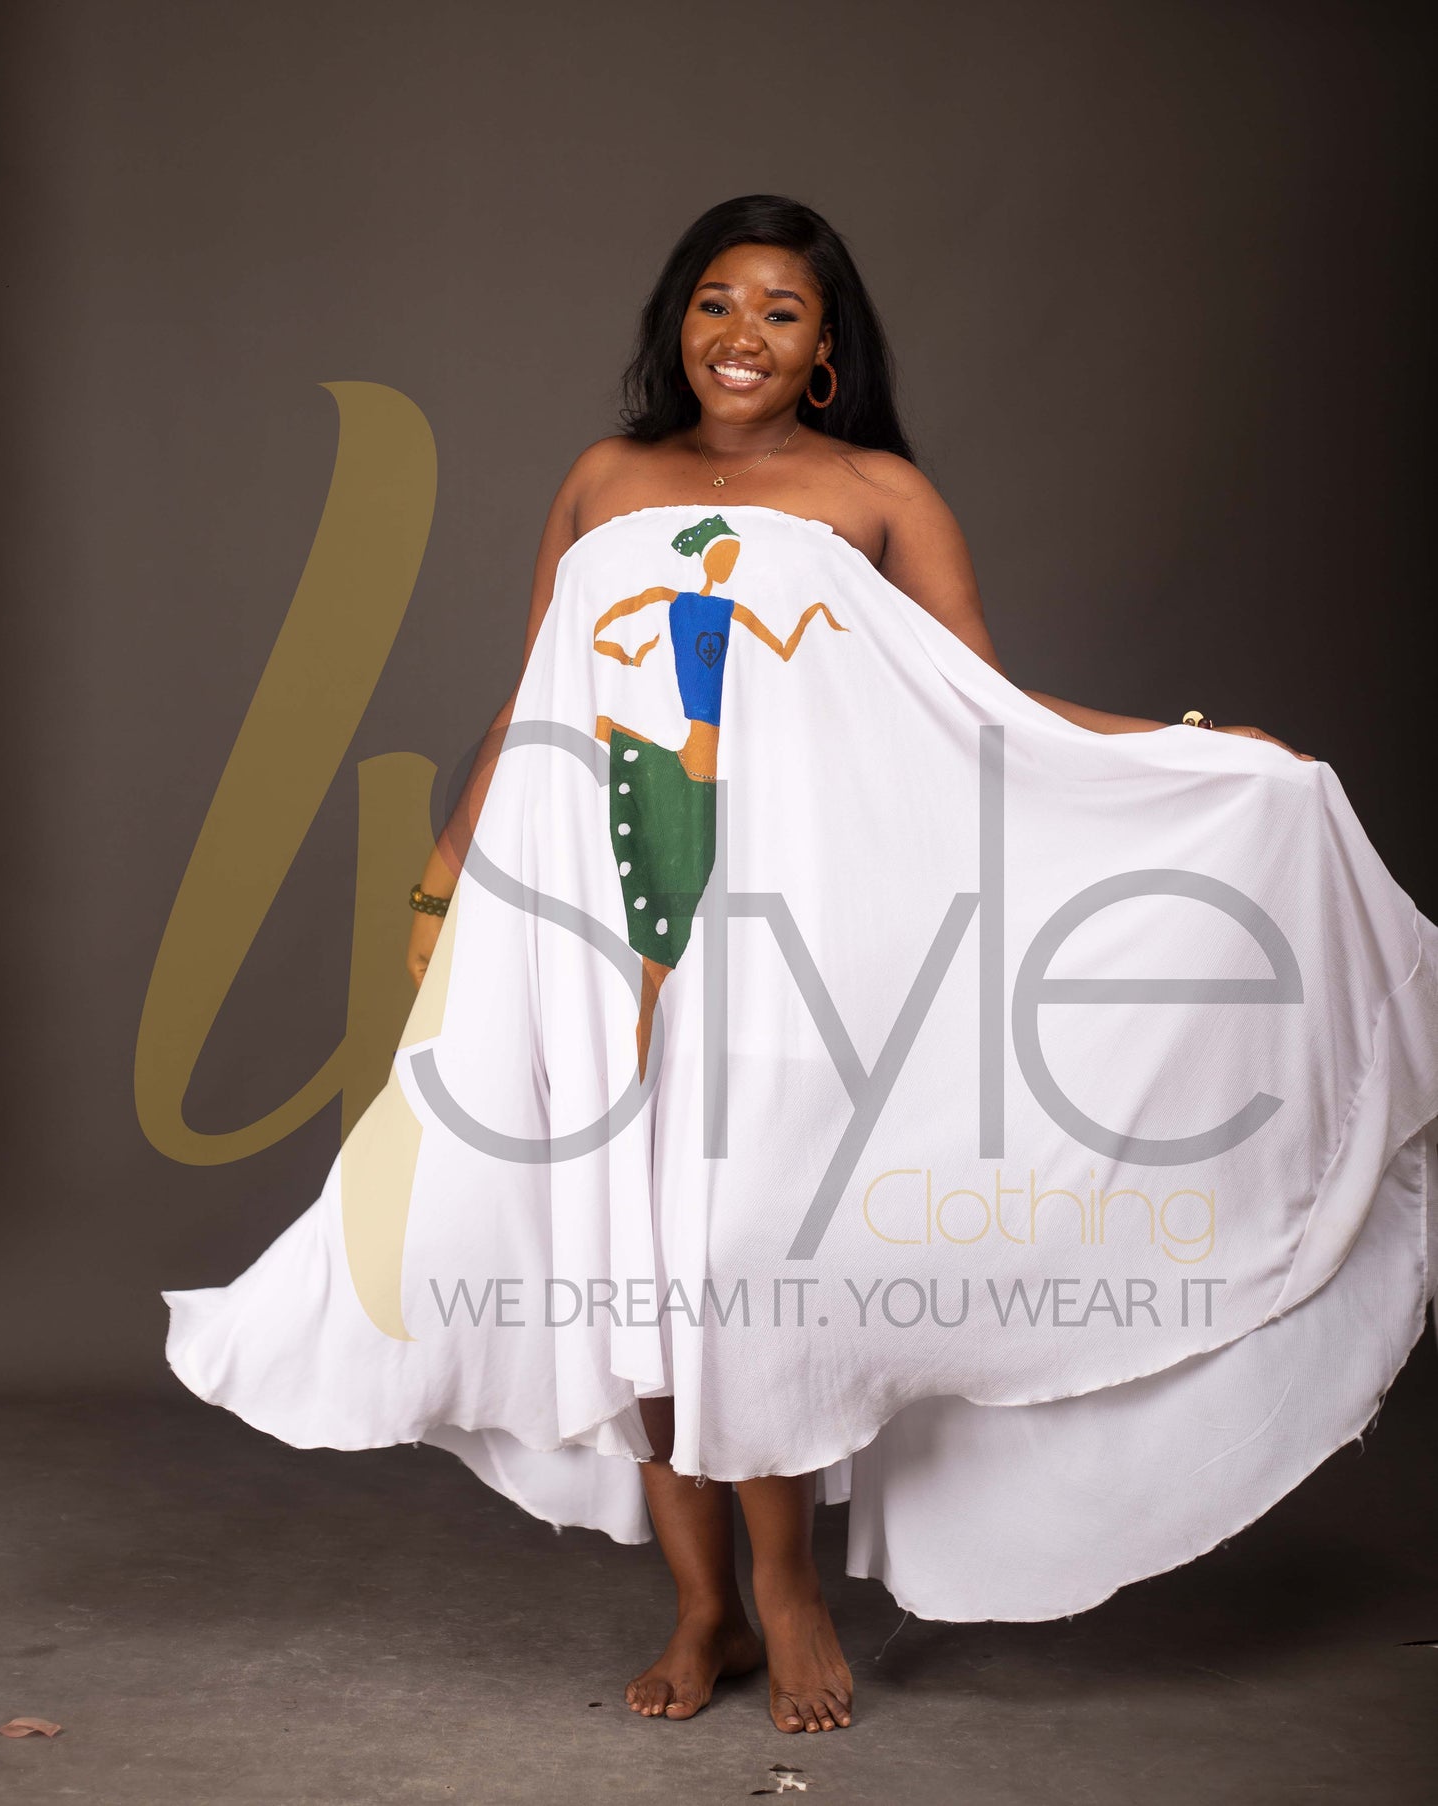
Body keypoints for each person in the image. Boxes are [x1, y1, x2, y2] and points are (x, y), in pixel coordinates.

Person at [400, 193, 1322, 1735]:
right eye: (713, 302)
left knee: (742, 1246)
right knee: (628, 1257)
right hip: (597, 922)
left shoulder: (875, 491)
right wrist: (440, 886)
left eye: (777, 310)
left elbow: (987, 712)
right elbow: (532, 699)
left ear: (825, 348)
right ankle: (698, 1609)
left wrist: (1193, 750)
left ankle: (786, 1582)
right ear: (673, 324)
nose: (739, 334)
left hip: (784, 930)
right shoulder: (602, 479)